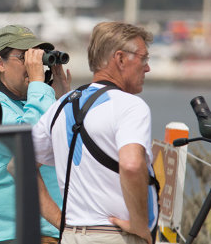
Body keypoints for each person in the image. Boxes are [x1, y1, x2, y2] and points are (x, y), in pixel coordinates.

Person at [30, 21, 159, 244]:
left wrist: (61, 221)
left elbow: (19, 165)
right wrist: (140, 226)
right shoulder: (130, 106)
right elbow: (131, 165)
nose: (147, 67)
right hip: (114, 236)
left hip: (70, 235)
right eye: (143, 58)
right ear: (120, 59)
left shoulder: (60, 106)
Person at [0, 25, 70, 244]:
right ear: (0, 63)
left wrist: (61, 99)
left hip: (52, 232)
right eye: (25, 57)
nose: (33, 65)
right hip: (18, 235)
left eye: (37, 57)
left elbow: (69, 145)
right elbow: (29, 140)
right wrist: (38, 85)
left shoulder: (35, 102)